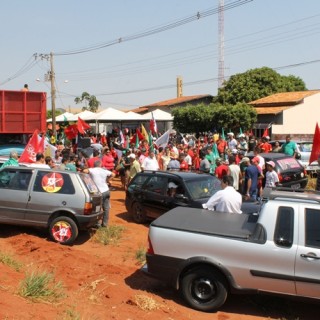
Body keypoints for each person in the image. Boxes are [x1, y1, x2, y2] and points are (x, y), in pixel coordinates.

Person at [85, 160, 115, 227]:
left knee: (97, 208)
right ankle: (105, 224)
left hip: (99, 192)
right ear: (100, 165)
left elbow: (84, 171)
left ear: (94, 165)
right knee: (106, 208)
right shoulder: (104, 170)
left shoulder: (93, 170)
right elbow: (113, 174)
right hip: (106, 190)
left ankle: (97, 223)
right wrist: (108, 180)